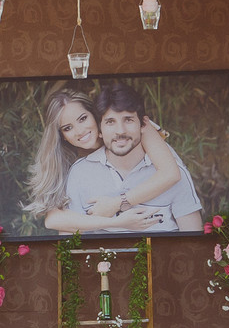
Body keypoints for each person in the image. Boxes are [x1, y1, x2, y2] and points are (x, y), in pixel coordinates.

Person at [24, 87, 182, 233]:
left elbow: (171, 174)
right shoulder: (70, 161)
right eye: (68, 128)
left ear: (95, 114)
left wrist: (116, 204)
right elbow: (53, 220)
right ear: (61, 136)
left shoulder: (130, 130)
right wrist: (115, 223)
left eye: (83, 118)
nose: (79, 131)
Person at [64, 82, 203, 234]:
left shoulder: (174, 172)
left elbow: (192, 241)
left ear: (143, 124)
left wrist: (118, 204)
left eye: (128, 120)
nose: (120, 131)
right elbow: (69, 241)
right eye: (110, 122)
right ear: (100, 130)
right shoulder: (80, 173)